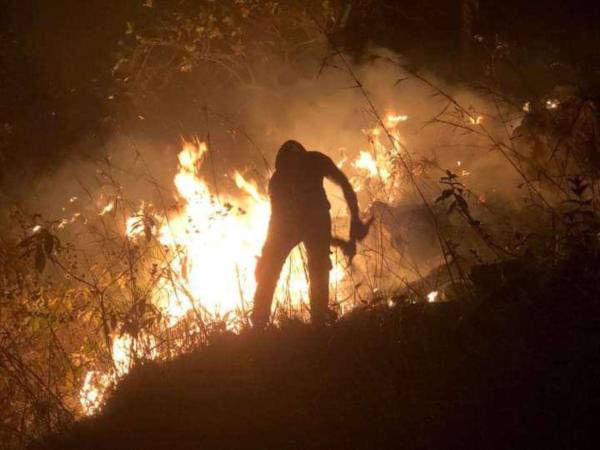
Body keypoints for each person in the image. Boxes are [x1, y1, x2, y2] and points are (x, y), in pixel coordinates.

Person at [252, 140, 370, 329]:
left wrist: (355, 219)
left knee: (319, 266)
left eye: (296, 168)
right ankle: (258, 324)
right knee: (270, 269)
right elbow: (276, 226)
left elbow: (344, 184)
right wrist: (265, 256)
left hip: (316, 217)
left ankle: (318, 323)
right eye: (288, 171)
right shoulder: (278, 183)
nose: (293, 175)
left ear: (303, 160)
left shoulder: (316, 161)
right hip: (289, 224)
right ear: (281, 170)